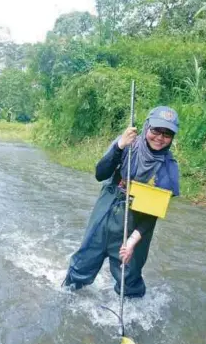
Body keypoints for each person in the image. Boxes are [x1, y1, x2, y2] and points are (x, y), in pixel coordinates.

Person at [62, 106, 180, 298]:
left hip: (138, 219)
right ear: (146, 127)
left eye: (167, 134)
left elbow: (152, 215)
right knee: (84, 261)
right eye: (156, 130)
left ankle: (133, 314)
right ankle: (67, 297)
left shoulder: (168, 169)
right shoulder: (128, 143)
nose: (160, 137)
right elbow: (100, 174)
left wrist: (132, 242)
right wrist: (120, 146)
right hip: (107, 207)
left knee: (129, 276)